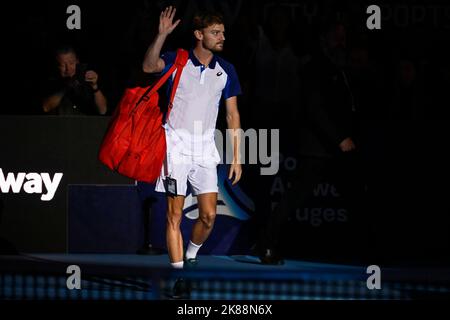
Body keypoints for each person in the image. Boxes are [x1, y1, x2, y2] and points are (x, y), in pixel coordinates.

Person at [142, 7, 242, 298]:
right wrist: (161, 36)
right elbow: (149, 67)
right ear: (199, 35)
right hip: (175, 148)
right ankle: (179, 277)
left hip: (205, 150)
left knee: (209, 216)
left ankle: (191, 256)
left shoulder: (227, 70)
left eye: (222, 32)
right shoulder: (177, 60)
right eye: (215, 32)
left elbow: (232, 115)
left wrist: (237, 156)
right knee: (174, 216)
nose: (222, 37)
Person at [257, 20, 363, 265]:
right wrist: (340, 138)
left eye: (344, 37)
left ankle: (363, 250)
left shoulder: (340, 68)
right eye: (338, 37)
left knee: (357, 198)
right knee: (294, 198)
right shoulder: (315, 69)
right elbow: (316, 110)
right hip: (318, 149)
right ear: (325, 39)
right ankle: (266, 245)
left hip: (336, 151)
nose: (342, 42)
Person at [42, 46, 108, 115]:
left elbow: (103, 110)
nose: (68, 69)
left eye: (71, 63)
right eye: (63, 65)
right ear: (57, 66)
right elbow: (45, 107)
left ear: (77, 62)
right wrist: (67, 88)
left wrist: (95, 86)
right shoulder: (52, 82)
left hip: (84, 124)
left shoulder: (87, 79)